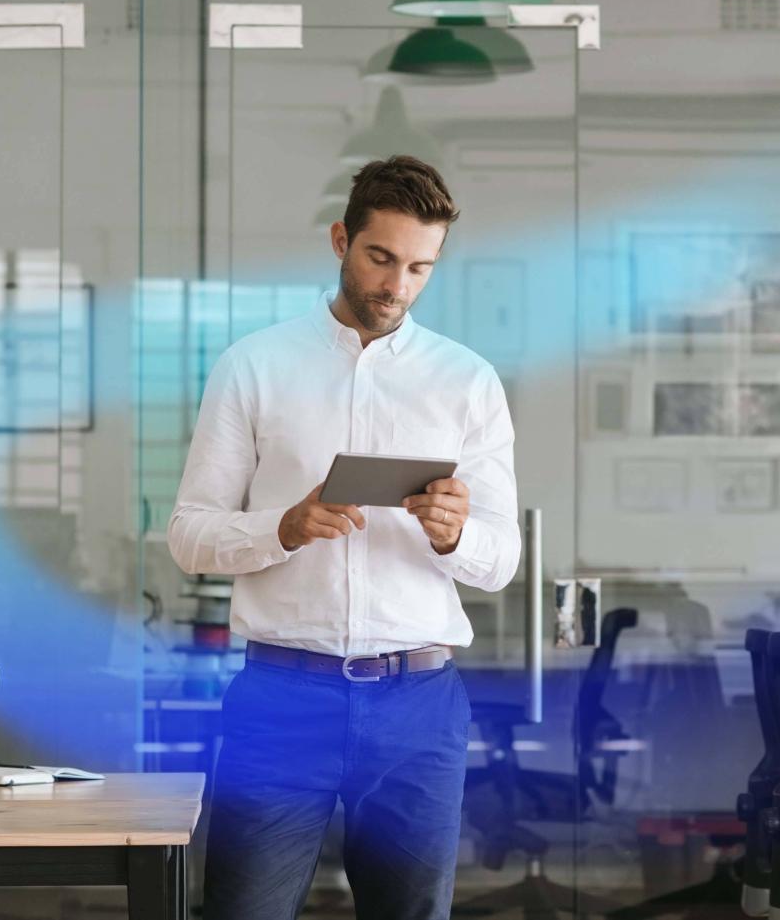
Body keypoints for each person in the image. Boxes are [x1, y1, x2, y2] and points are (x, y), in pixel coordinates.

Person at [169, 154, 521, 920]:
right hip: (282, 697)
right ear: (341, 240)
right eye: (381, 257)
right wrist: (282, 527)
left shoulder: (468, 382)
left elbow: (501, 562)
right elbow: (189, 536)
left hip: (419, 705)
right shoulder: (253, 367)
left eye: (420, 268)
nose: (396, 286)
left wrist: (457, 536)